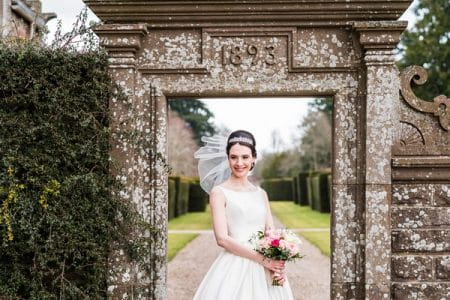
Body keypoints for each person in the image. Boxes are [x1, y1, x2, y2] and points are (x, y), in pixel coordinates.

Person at [193, 130, 294, 300]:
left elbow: (271, 233)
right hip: (234, 266)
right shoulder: (219, 192)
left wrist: (277, 266)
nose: (239, 163)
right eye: (234, 157)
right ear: (228, 158)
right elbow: (222, 239)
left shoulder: (261, 193)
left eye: (245, 157)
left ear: (254, 158)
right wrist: (262, 260)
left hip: (265, 269)